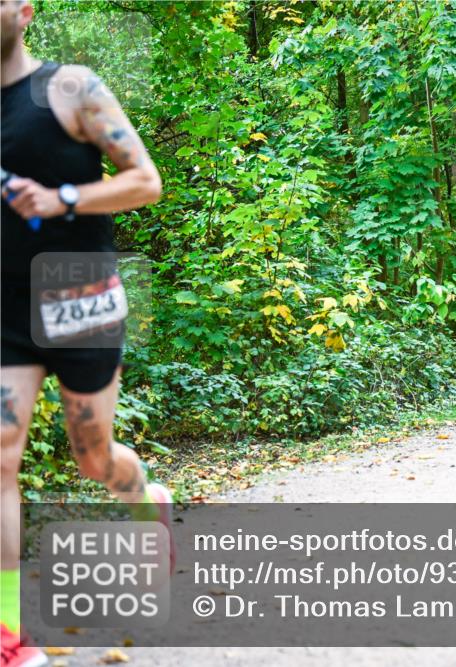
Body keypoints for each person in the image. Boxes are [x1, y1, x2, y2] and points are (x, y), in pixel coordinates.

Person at [1, 2, 172, 661]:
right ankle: (10, 636)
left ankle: (147, 502)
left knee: (93, 459)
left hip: (80, 296)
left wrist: (62, 199)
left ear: (24, 11)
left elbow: (146, 182)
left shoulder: (70, 87)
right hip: (5, 306)